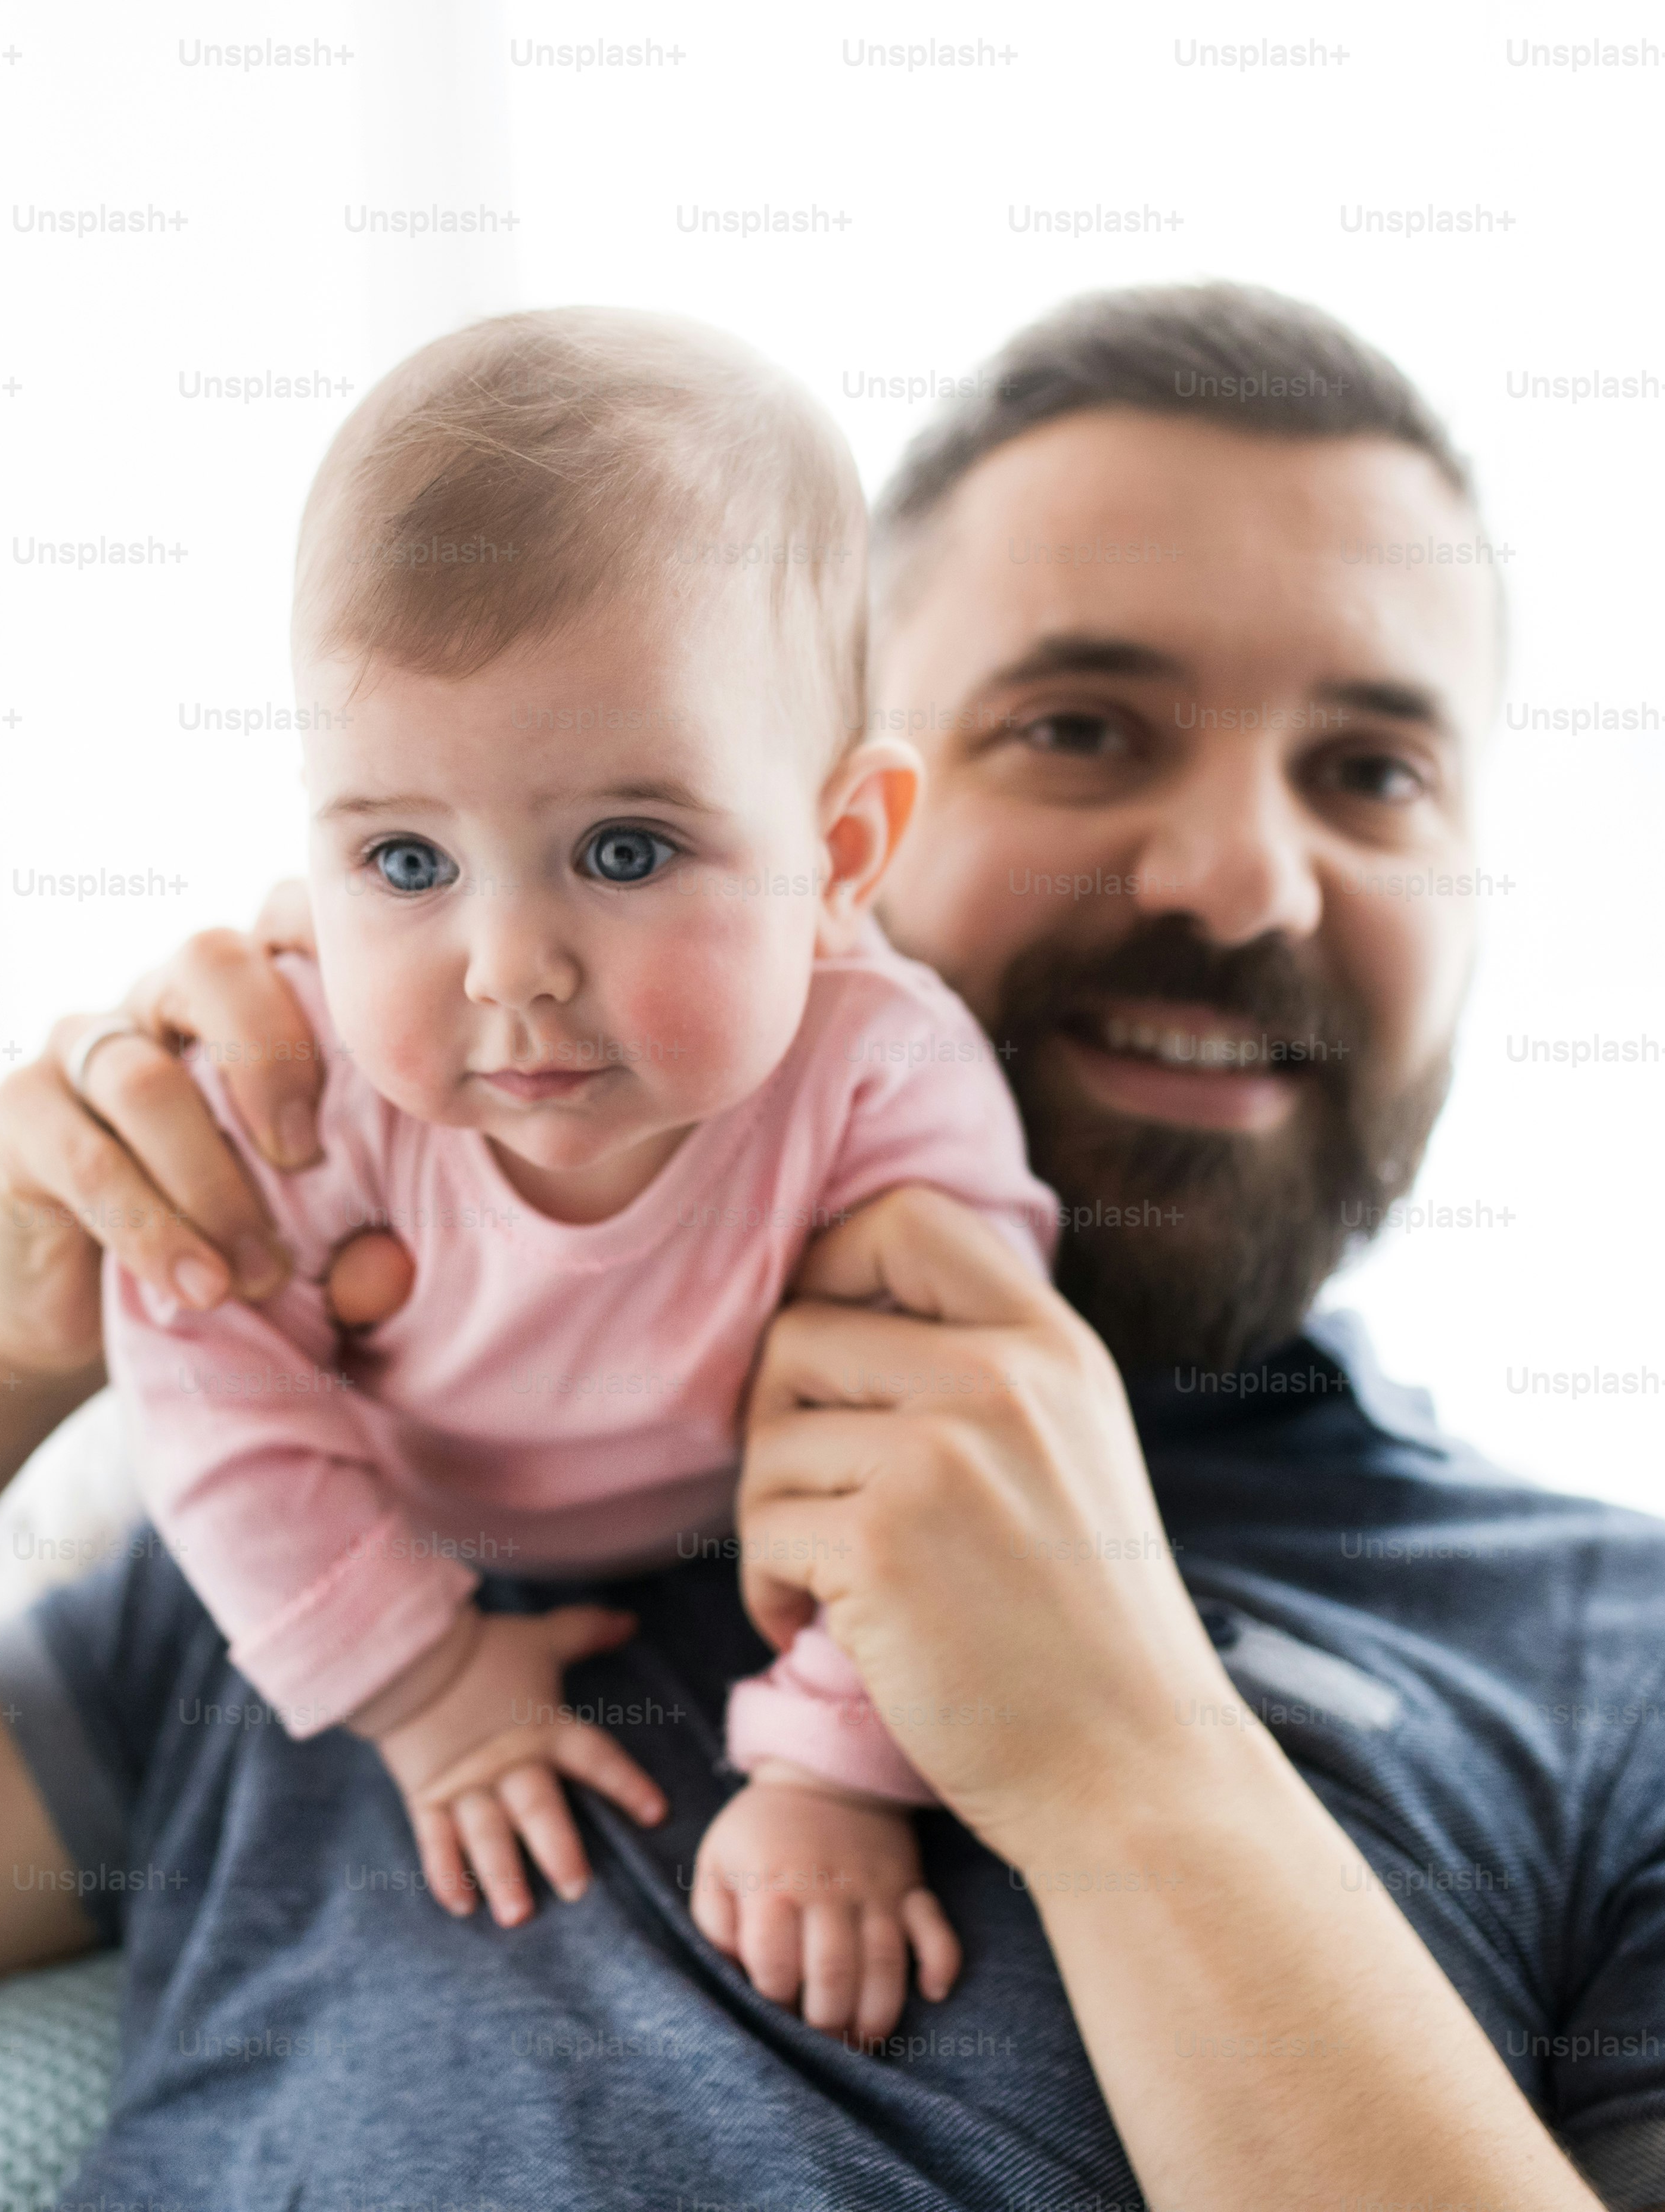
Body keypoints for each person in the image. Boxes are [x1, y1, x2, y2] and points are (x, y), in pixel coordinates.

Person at [0, 285, 1665, 2212]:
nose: (1238, 872)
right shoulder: (396, 1500)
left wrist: (1120, 1751)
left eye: (1373, 771)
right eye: (1080, 724)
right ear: (850, 816)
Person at [104, 306, 1057, 2033]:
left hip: (716, 1555)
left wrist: (839, 1769)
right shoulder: (303, 1063)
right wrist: (420, 1681)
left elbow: (953, 1447)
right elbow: (195, 1359)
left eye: (626, 850)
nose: (507, 963)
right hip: (375, 1521)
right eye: (404, 855)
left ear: (839, 853)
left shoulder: (882, 1076)